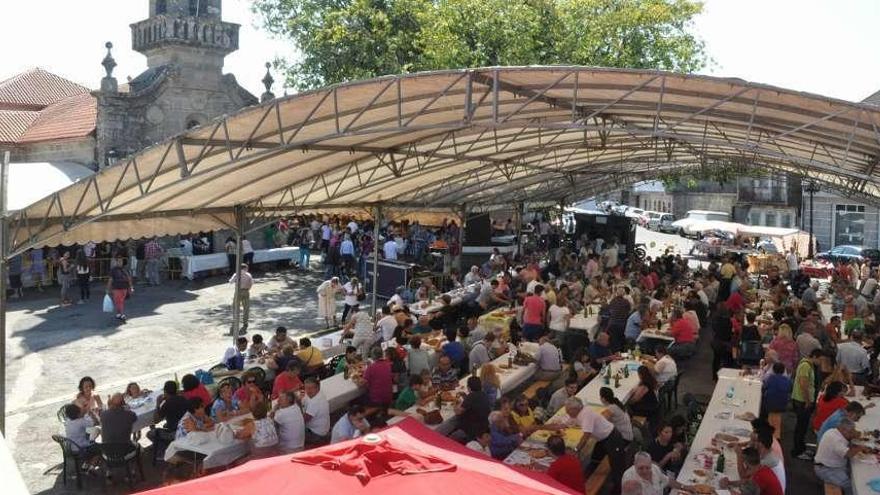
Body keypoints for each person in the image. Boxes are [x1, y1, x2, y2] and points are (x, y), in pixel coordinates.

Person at [553, 397, 626, 494]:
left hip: (612, 438)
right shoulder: (578, 413)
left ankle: (619, 489)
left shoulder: (586, 414)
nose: (566, 412)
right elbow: (564, 424)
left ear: (575, 409)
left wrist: (576, 449)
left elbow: (586, 436)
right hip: (602, 439)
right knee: (595, 459)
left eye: (567, 410)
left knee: (617, 466)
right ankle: (590, 479)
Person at [814, 418, 866, 495]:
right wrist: (861, 448)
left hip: (828, 466)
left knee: (853, 473)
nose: (852, 433)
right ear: (843, 430)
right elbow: (848, 454)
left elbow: (846, 444)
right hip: (826, 470)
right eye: (850, 432)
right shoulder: (837, 440)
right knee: (851, 485)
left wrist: (854, 436)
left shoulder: (832, 431)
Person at [791, 348, 823, 459]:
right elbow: (803, 384)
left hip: (802, 400)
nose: (820, 363)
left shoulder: (807, 365)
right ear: (814, 357)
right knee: (801, 426)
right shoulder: (805, 365)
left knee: (803, 426)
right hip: (802, 401)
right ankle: (798, 451)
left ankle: (801, 448)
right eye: (820, 360)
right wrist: (808, 400)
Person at [622, 451, 693, 495]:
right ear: (634, 464)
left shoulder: (654, 468)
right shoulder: (629, 478)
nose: (645, 471)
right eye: (641, 468)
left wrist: (685, 487)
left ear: (651, 463)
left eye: (647, 467)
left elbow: (668, 481)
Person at [453, 376, 492, 442]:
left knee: (451, 437)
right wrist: (466, 397)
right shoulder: (484, 394)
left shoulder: (471, 397)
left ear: (468, 387)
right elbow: (474, 404)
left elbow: (458, 411)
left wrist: (455, 403)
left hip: (471, 431)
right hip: (484, 427)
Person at [302, 378, 331, 445]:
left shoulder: (315, 402)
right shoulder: (316, 394)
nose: (308, 391)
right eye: (306, 388)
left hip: (316, 433)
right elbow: (304, 400)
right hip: (322, 429)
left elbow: (303, 420)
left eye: (311, 388)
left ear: (318, 388)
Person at [105, 257, 133, 322]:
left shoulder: (114, 270)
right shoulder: (124, 269)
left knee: (119, 301)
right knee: (120, 301)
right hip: (123, 287)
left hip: (118, 288)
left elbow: (110, 280)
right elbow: (129, 279)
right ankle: (119, 314)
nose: (120, 263)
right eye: (119, 261)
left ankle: (122, 314)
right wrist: (131, 287)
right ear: (116, 262)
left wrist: (107, 289)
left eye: (121, 261)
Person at [228, 264, 253, 333]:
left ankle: (235, 321)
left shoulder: (236, 274)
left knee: (235, 307)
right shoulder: (249, 275)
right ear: (245, 268)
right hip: (246, 291)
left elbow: (231, 282)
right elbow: (251, 284)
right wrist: (247, 289)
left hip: (238, 291)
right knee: (246, 308)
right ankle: (245, 322)